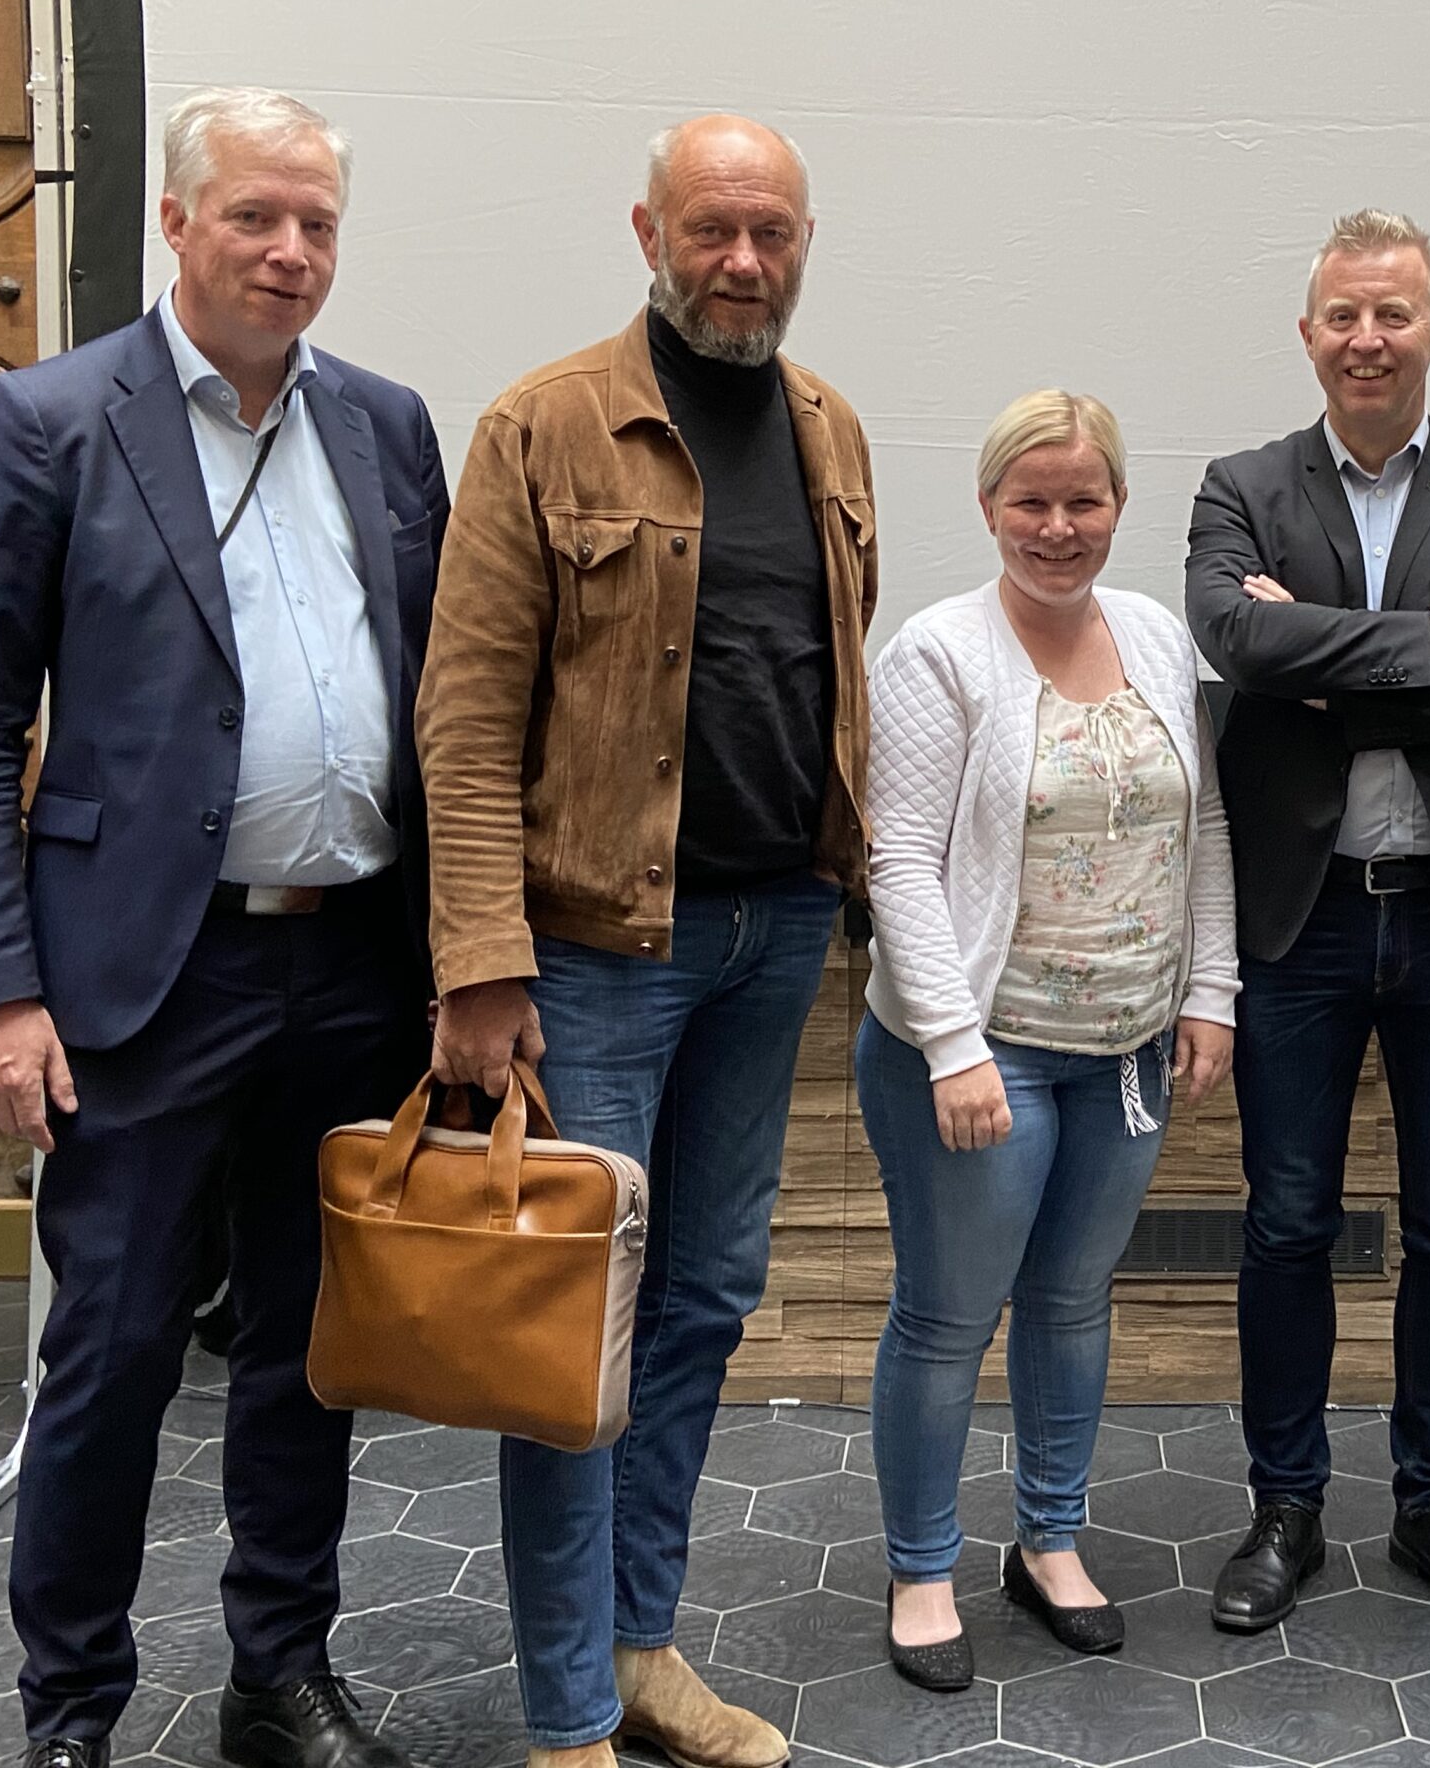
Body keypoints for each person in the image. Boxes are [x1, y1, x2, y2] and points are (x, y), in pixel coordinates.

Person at [0, 87, 448, 1768]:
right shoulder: (50, 420)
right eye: (256, 218)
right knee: (115, 1349)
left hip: (352, 965)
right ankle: (69, 1708)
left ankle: (274, 1676)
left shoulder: (386, 424)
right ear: (176, 220)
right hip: (145, 975)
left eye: (317, 226)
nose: (291, 254)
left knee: (310, 1351)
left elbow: (437, 702)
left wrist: (458, 963)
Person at [418, 114, 874, 1768]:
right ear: (648, 231)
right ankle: (563, 1718)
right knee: (571, 1332)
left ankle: (639, 1650)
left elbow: (829, 680)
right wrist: (480, 955)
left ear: (805, 241)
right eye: (711, 233)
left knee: (698, 1304)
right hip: (597, 949)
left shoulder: (833, 428)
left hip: (775, 933)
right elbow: (464, 724)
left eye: (770, 235)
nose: (742, 264)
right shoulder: (542, 426)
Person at [1185, 210, 1430, 1637]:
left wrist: (1330, 663)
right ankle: (1283, 1505)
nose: (1368, 338)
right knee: (1287, 1224)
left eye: (1394, 315)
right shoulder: (1239, 485)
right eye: (1343, 315)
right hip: (1301, 921)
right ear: (1308, 334)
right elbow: (1235, 642)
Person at [857, 390, 1238, 1689]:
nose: (1059, 526)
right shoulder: (938, 653)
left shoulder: (1151, 633)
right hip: (986, 1049)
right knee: (949, 1314)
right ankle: (920, 1567)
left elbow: (1207, 826)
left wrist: (1212, 992)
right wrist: (954, 1046)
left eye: (1085, 500)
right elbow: (897, 858)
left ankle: (1050, 1542)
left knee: (1074, 1304)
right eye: (1032, 500)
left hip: (1125, 1043)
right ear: (987, 508)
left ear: (1119, 506)